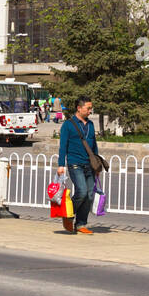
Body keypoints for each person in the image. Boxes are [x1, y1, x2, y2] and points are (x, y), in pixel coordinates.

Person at [57, 97, 99, 235]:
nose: (90, 111)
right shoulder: (68, 125)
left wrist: (97, 165)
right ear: (79, 108)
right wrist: (61, 165)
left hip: (89, 164)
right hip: (75, 163)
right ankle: (68, 215)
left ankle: (81, 223)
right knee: (81, 192)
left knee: (89, 195)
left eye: (91, 108)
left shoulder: (91, 124)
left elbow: (94, 145)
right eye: (88, 108)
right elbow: (63, 146)